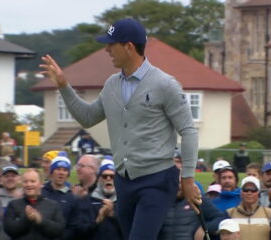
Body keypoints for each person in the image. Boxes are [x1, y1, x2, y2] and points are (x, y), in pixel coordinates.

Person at [40, 17, 200, 240]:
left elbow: (189, 131)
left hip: (157, 180)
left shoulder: (165, 84)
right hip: (124, 182)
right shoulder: (111, 84)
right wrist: (64, 86)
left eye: (111, 44)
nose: (106, 49)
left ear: (129, 47)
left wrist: (189, 178)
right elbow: (87, 117)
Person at [158, 175, 229, 240]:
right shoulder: (159, 202)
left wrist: (204, 228)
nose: (178, 186)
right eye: (176, 182)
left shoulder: (197, 200)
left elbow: (220, 218)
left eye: (181, 183)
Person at [4, 168, 65, 240]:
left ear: (41, 184)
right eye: (25, 182)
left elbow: (59, 231)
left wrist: (40, 220)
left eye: (33, 181)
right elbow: (10, 230)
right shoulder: (13, 205)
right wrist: (27, 219)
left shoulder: (53, 205)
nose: (29, 184)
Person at [72, 160, 122, 240]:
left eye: (112, 176)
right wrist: (97, 221)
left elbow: (131, 230)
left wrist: (113, 215)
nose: (108, 179)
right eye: (105, 176)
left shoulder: (124, 201)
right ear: (99, 179)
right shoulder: (86, 201)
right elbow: (78, 231)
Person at [41, 154, 76, 239]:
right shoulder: (41, 193)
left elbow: (73, 226)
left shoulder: (71, 198)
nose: (61, 173)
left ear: (68, 174)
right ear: (52, 172)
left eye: (65, 170)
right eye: (58, 169)